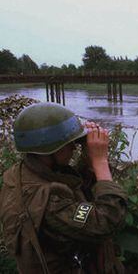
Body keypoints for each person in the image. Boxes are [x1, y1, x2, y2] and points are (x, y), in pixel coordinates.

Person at [0, 103, 127, 273]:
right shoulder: (48, 201)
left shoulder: (23, 172)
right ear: (51, 150)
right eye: (69, 144)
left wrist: (88, 162)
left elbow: (76, 189)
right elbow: (106, 220)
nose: (74, 147)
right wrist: (100, 162)